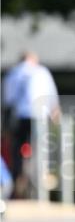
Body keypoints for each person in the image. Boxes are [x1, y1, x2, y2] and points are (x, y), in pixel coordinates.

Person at [2, 51, 60, 198]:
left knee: (17, 151)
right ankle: (39, 182)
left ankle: (16, 181)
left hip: (19, 116)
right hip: (38, 116)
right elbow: (51, 95)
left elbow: (8, 99)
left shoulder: (14, 73)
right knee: (40, 148)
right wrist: (55, 112)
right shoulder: (41, 71)